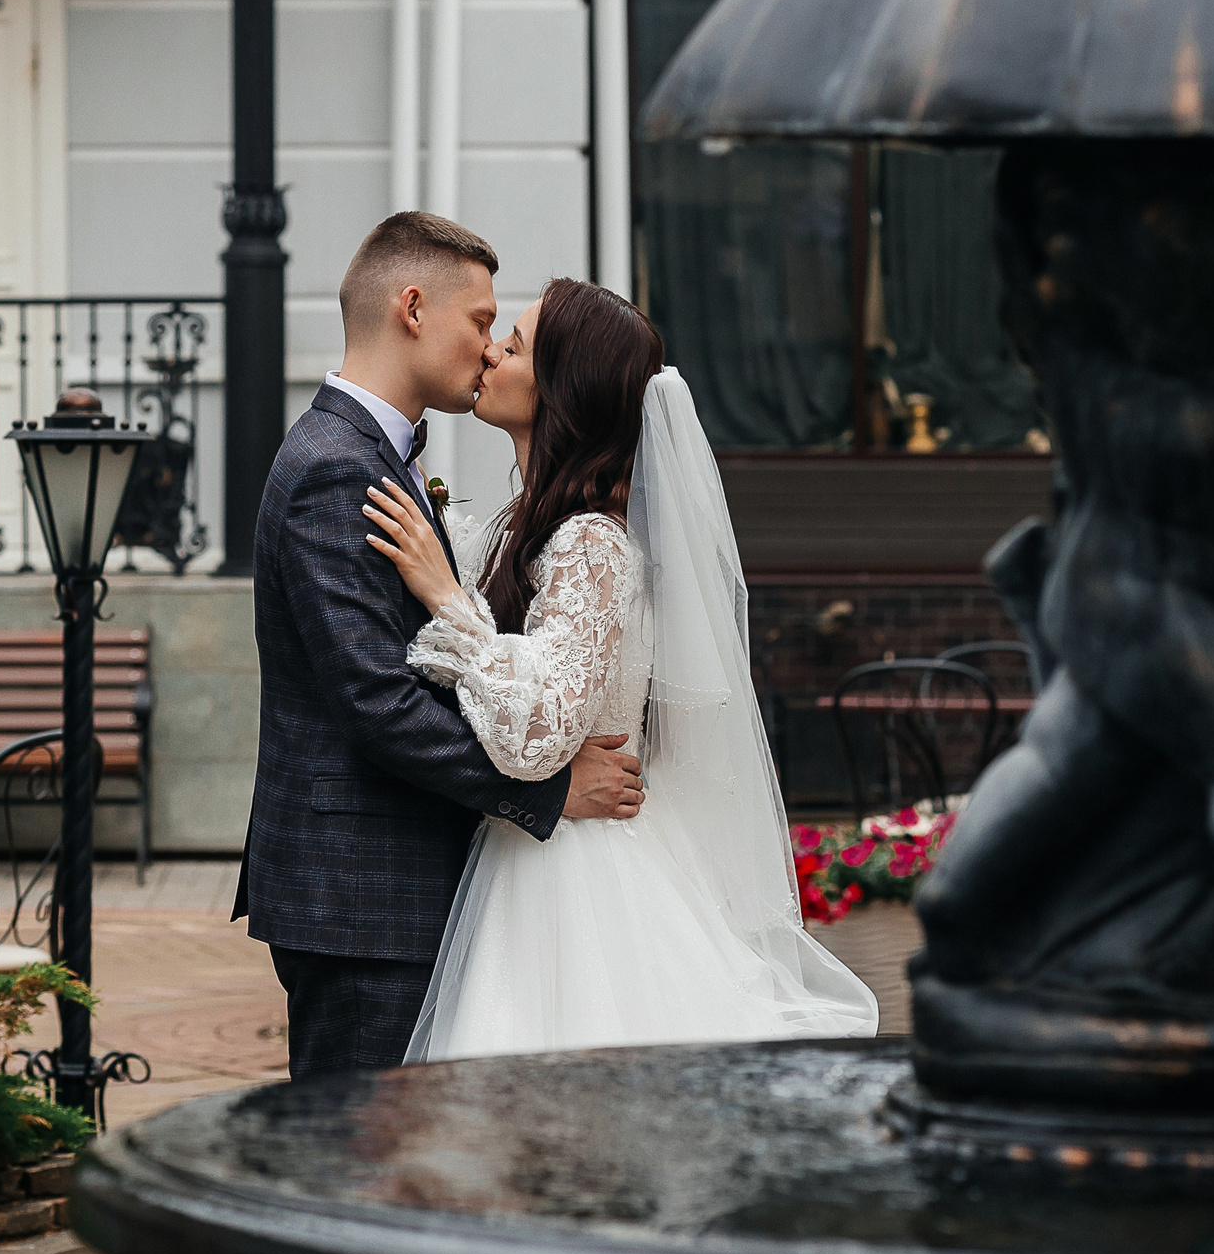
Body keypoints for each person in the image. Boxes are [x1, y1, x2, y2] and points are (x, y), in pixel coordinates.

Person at [363, 277, 878, 1059]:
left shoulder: (591, 544)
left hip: (576, 877)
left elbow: (538, 737)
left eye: (518, 343)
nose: (493, 350)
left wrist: (445, 596)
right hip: (539, 851)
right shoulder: (539, 527)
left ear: (563, 388)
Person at [233, 215, 649, 1079]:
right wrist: (550, 795)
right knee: (366, 1171)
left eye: (507, 332)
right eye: (482, 320)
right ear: (413, 307)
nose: (490, 346)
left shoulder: (375, 460)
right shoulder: (334, 468)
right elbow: (379, 700)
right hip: (363, 898)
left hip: (402, 891)